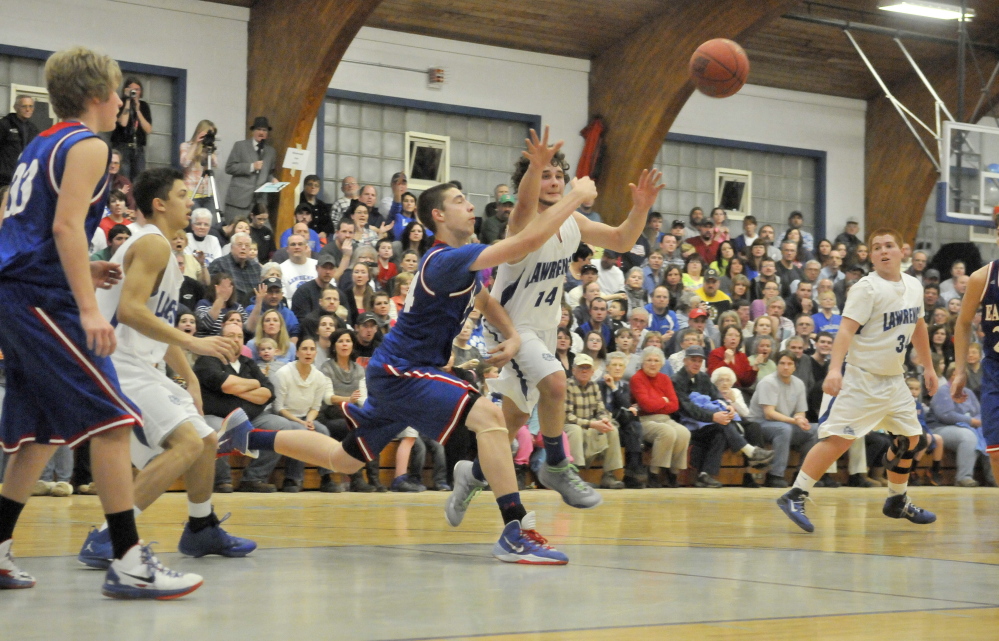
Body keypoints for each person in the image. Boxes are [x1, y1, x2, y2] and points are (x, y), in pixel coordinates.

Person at [0, 47, 203, 597]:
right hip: (44, 299)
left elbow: (22, 222)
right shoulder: (87, 144)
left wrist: (80, 267)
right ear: (97, 96)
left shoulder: (42, 142)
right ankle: (130, 562)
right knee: (114, 423)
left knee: (39, 435)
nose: (122, 104)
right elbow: (67, 226)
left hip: (19, 293)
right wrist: (88, 304)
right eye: (118, 93)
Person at [77, 168, 257, 581]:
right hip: (118, 362)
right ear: (159, 204)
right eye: (181, 194)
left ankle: (200, 527)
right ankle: (108, 536)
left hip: (139, 363)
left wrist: (189, 377)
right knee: (188, 443)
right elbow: (131, 312)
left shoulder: (160, 250)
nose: (190, 202)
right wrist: (196, 344)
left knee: (208, 439)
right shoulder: (154, 245)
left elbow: (156, 319)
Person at [477, 128, 662, 511]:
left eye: (558, 175)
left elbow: (622, 240)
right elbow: (527, 203)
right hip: (510, 325)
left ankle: (472, 476)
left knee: (513, 419)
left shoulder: (571, 220)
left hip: (543, 328)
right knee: (557, 385)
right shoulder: (522, 220)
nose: (554, 180)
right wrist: (536, 166)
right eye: (546, 175)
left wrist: (640, 206)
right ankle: (557, 464)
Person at [777, 229, 938, 533]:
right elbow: (846, 331)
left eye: (889, 245)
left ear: (902, 251)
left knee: (910, 439)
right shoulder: (866, 288)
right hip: (862, 379)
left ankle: (897, 500)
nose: (883, 251)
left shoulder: (914, 286)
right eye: (876, 247)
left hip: (894, 379)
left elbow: (918, 327)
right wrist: (835, 369)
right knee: (840, 439)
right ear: (872, 256)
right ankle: (795, 493)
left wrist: (928, 367)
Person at [952, 227, 999, 484]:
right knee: (996, 451)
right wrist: (960, 371)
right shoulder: (982, 277)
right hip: (994, 370)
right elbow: (963, 323)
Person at [747, 350, 817, 488]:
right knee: (783, 429)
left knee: (815, 430)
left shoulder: (799, 384)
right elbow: (769, 413)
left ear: (795, 366)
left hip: (785, 423)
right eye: (782, 363)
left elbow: (800, 411)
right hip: (760, 423)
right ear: (777, 365)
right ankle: (775, 475)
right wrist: (794, 421)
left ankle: (801, 475)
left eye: (789, 364)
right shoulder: (768, 382)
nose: (786, 367)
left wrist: (801, 420)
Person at [628, 346, 690, 487]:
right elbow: (646, 406)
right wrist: (663, 400)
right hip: (644, 420)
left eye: (656, 360)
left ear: (661, 364)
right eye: (649, 360)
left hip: (665, 418)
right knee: (666, 432)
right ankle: (654, 473)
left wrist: (656, 402)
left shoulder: (665, 379)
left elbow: (674, 405)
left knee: (683, 432)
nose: (653, 363)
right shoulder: (637, 378)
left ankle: (673, 473)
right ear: (643, 362)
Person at [562, 355, 625, 490]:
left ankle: (609, 475)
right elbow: (567, 416)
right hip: (569, 425)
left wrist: (604, 419)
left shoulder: (594, 386)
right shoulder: (566, 385)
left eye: (587, 368)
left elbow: (601, 409)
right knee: (575, 430)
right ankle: (574, 475)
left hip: (590, 424)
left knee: (612, 429)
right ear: (573, 370)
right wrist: (591, 424)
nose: (584, 371)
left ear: (592, 372)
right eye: (581, 368)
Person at [223, 116, 277, 222]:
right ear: (253, 131)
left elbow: (269, 173)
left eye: (264, 130)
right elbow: (229, 168)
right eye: (258, 129)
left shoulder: (271, 152)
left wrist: (273, 180)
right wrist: (251, 166)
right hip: (238, 201)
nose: (261, 132)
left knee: (263, 234)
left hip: (259, 202)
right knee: (235, 231)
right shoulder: (240, 146)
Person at [110, 77, 152, 181]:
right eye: (131, 89)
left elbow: (148, 129)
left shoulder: (144, 106)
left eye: (137, 89)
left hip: (138, 148)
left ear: (141, 91)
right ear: (125, 89)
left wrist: (138, 110)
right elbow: (123, 123)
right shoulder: (120, 103)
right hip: (122, 146)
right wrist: (128, 101)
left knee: (139, 179)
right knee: (123, 179)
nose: (134, 92)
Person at [0, 95, 40, 186]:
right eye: (24, 106)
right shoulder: (4, 125)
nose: (28, 109)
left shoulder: (33, 129)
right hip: (4, 179)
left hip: (23, 179)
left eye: (31, 106)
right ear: (15, 107)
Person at [179, 120, 218, 210]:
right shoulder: (186, 146)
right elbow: (184, 163)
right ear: (199, 131)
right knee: (195, 220)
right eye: (207, 133)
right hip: (191, 192)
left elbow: (215, 163)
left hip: (207, 193)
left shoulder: (209, 148)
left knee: (210, 222)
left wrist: (209, 149)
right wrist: (196, 144)